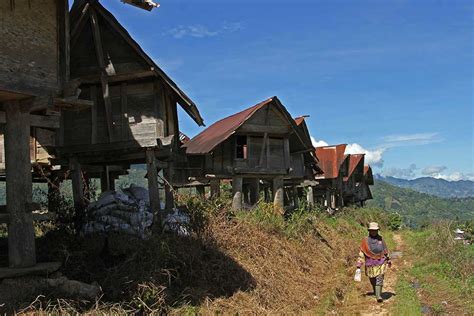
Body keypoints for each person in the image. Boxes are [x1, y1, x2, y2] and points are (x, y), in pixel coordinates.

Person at [356, 222, 391, 302]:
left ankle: (378, 296)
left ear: (377, 231)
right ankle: (376, 291)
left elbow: (385, 250)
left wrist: (388, 259)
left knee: (380, 278)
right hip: (370, 263)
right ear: (369, 231)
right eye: (372, 230)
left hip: (381, 262)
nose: (374, 232)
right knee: (372, 279)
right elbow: (361, 253)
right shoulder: (365, 241)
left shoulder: (381, 239)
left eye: (375, 230)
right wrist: (359, 263)